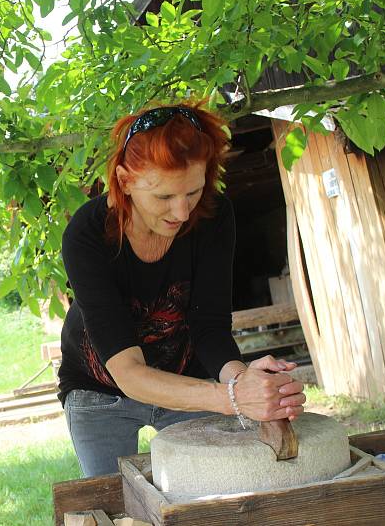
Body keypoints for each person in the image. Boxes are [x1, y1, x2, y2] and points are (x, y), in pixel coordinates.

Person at [58, 102, 306, 478]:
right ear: (125, 181)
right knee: (114, 500)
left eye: (192, 192)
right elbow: (127, 371)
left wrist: (246, 382)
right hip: (99, 389)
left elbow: (210, 328)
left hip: (186, 381)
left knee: (213, 489)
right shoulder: (86, 234)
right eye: (164, 198)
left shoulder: (214, 215)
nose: (183, 212)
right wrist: (234, 398)